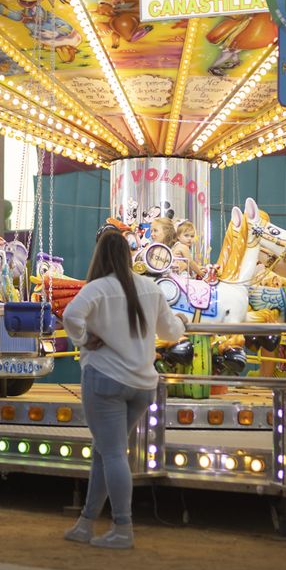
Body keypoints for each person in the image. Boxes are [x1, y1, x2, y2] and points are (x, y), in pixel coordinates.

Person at [61, 231, 185, 549]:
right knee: (107, 450)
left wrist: (85, 338)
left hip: (104, 380)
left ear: (99, 255)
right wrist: (183, 322)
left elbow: (70, 315)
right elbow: (170, 330)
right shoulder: (149, 287)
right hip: (142, 384)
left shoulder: (97, 288)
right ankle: (86, 523)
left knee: (112, 452)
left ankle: (122, 528)